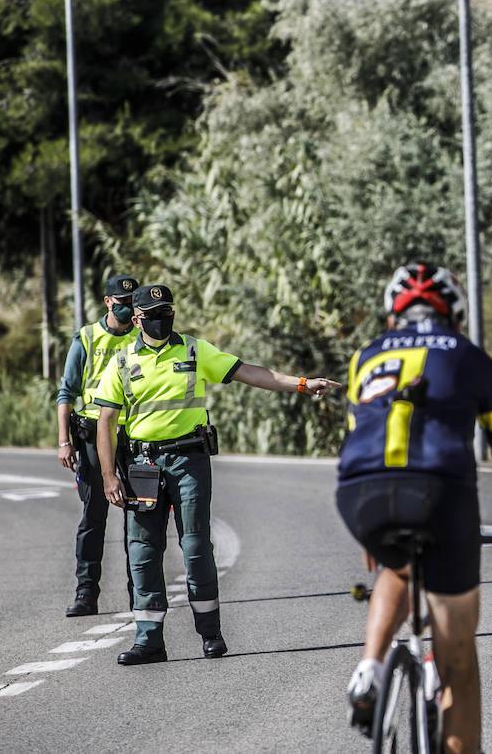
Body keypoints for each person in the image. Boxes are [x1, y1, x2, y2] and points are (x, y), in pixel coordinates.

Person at [336, 263, 492, 754]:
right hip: (439, 491)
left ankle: (370, 666)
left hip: (359, 493)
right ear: (454, 315)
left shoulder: (365, 356)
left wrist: (370, 532)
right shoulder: (469, 356)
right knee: (459, 658)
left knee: (398, 567)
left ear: (393, 317)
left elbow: (359, 438)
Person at [94, 283, 341, 665]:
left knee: (195, 547)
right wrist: (109, 476)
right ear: (139, 318)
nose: (163, 320)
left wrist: (304, 384)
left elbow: (252, 373)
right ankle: (149, 641)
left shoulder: (194, 349)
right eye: (155, 315)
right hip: (142, 466)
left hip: (189, 460)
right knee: (142, 551)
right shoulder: (123, 361)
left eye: (168, 312)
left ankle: (211, 634)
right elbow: (106, 421)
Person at [55, 273, 139, 617]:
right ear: (108, 302)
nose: (127, 310)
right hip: (91, 436)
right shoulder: (86, 338)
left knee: (138, 516)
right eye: (121, 304)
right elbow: (66, 393)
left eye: (132, 305)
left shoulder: (142, 337)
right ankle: (86, 592)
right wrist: (64, 441)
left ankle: (141, 592)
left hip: (132, 436)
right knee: (94, 516)